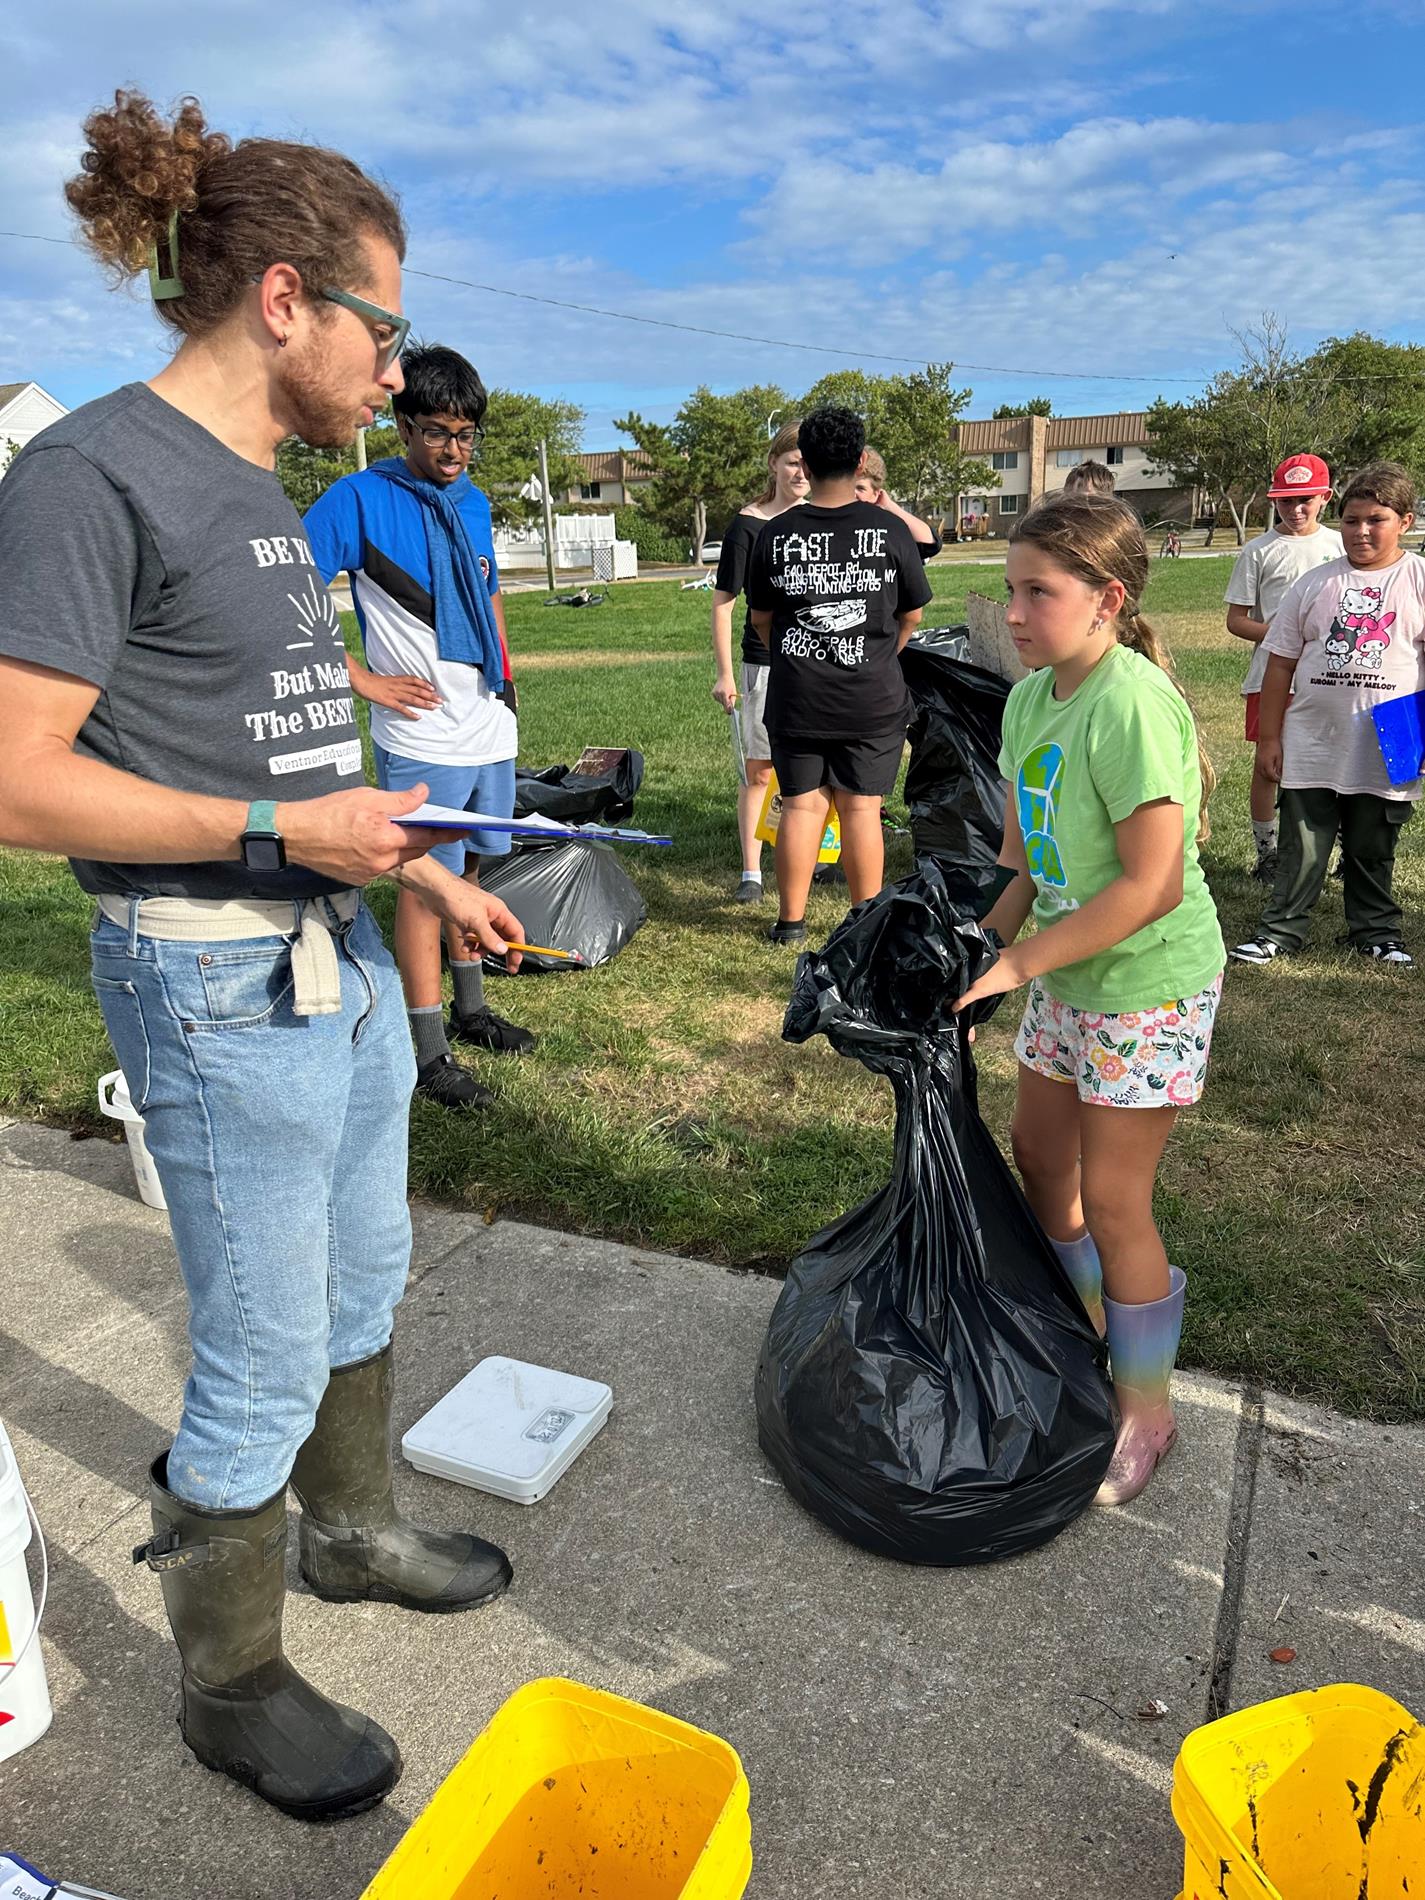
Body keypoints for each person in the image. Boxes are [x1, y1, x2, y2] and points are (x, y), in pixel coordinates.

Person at [0, 91, 526, 1822]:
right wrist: (281, 841)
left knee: (363, 1280)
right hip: (216, 979)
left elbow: (279, 749)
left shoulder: (266, 488)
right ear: (287, 298)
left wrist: (406, 874)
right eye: (384, 321)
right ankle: (224, 1682)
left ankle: (354, 1534)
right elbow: (18, 776)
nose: (400, 361)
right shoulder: (91, 472)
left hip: (341, 954)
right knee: (257, 1349)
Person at [955, 492, 1225, 1508]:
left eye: (1039, 593)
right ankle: (1084, 1325)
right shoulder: (1029, 701)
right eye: (1009, 590)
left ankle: (1145, 1408)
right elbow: (1025, 860)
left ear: (1109, 599)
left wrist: (1019, 968)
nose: (1014, 614)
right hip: (1073, 974)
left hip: (1148, 989)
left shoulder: (1131, 702)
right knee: (1037, 1153)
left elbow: (1152, 883)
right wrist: (983, 944)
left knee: (1116, 1201)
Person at [305, 342, 534, 1111]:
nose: (454, 449)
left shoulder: (473, 500)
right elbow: (283, 599)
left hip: (483, 721)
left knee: (467, 872)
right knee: (419, 884)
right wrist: (361, 678)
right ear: (402, 426)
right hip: (419, 732)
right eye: (438, 431)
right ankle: (427, 1049)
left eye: (467, 434)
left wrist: (506, 681)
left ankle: (469, 1011)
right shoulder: (357, 498)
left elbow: (488, 595)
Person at [746, 405, 931, 945]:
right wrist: (878, 656)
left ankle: (791, 923)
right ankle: (865, 922)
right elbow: (912, 615)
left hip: (797, 697)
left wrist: (796, 655)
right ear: (858, 460)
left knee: (801, 804)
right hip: (871, 698)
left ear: (806, 461)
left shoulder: (775, 535)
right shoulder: (891, 530)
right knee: (862, 809)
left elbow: (761, 620)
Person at [1231, 461, 1423, 969]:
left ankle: (1376, 932)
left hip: (1390, 738)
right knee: (1304, 843)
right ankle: (1280, 930)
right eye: (1351, 519)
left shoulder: (1419, 579)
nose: (1360, 532)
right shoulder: (1315, 584)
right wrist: (1270, 736)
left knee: (1373, 843)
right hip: (1313, 737)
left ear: (1404, 520)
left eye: (1375, 520)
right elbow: (1280, 665)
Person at [1223, 453, 1344, 882]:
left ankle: (1344, 848)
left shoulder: (1337, 545)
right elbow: (1236, 619)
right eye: (1286, 501)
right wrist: (1274, 633)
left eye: (1305, 500)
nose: (1296, 510)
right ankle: (1267, 853)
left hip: (1331, 672)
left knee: (1333, 760)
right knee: (1267, 764)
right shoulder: (1258, 551)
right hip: (1269, 676)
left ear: (1325, 498)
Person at [711, 420, 806, 902]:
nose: (800, 471)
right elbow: (724, 602)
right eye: (792, 461)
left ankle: (816, 857)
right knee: (762, 771)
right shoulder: (748, 525)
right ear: (773, 464)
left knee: (812, 771)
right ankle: (752, 871)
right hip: (765, 665)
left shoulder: (822, 519)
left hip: (818, 664)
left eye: (807, 462)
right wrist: (726, 674)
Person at [855, 448, 941, 561]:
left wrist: (889, 505)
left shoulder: (885, 528)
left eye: (860, 488)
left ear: (876, 494)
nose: (852, 493)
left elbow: (930, 544)